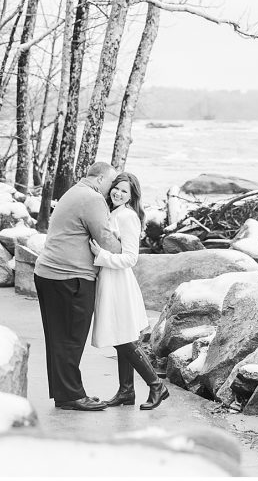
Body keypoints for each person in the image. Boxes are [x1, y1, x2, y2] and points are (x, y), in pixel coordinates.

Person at [32, 161, 121, 411]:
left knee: (58, 339)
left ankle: (67, 394)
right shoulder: (92, 199)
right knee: (71, 338)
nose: (112, 188)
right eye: (111, 182)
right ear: (101, 179)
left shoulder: (74, 192)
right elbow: (106, 239)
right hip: (69, 277)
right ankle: (71, 396)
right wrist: (127, 246)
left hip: (50, 274)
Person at [89, 172, 169, 410]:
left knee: (124, 338)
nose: (118, 193)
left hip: (119, 283)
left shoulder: (127, 216)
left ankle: (156, 385)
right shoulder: (112, 212)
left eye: (125, 191)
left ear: (132, 196)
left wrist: (101, 256)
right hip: (109, 280)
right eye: (116, 188)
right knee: (120, 336)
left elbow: (131, 258)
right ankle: (126, 391)